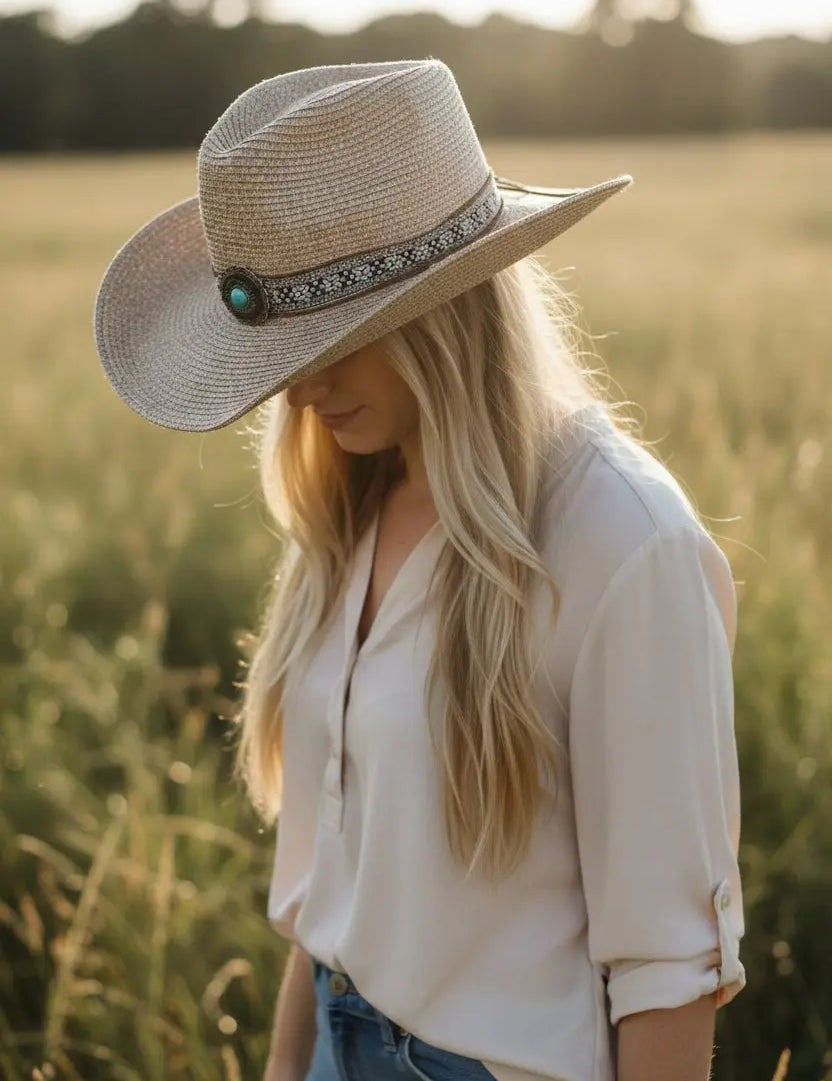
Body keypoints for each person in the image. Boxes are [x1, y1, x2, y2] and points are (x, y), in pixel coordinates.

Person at [93, 59, 746, 1081]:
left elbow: (672, 969)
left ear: (449, 308)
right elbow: (324, 907)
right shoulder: (352, 496)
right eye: (280, 348)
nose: (300, 387)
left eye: (340, 338)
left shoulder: (623, 543)